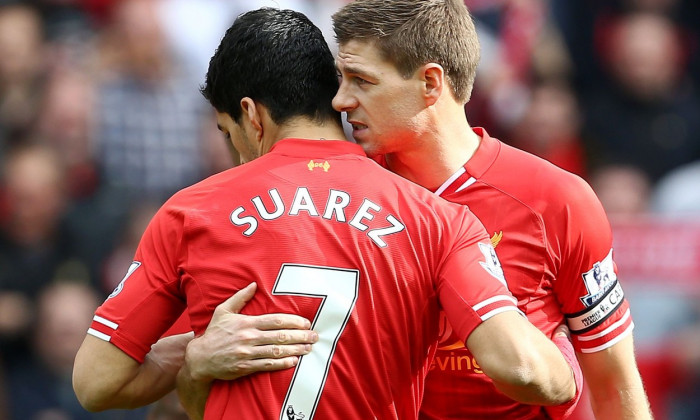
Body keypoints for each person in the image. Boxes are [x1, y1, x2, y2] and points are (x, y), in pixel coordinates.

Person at [72, 7, 578, 420]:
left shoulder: (192, 210)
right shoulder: (439, 220)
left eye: (230, 136)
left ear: (251, 115)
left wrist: (195, 354)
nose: (237, 155)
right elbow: (524, 371)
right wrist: (565, 363)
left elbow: (95, 383)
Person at [181, 1, 652, 419]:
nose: (341, 101)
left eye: (362, 81)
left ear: (430, 83)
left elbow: (614, 383)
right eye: (342, 79)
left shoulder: (557, 200)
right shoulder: (328, 198)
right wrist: (198, 364)